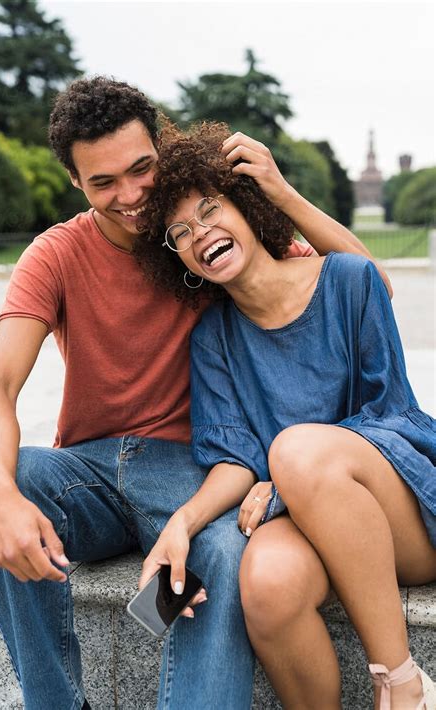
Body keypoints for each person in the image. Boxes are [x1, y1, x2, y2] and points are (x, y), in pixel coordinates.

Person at [0, 76, 382, 710]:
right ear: (75, 183)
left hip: (200, 470)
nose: (131, 196)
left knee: (222, 555)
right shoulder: (54, 254)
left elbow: (361, 284)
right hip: (91, 472)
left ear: (163, 147)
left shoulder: (210, 230)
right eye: (103, 183)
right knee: (0, 486)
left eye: (141, 169)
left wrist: (280, 190)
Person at [134, 122, 436, 710]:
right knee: (266, 585)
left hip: (405, 514)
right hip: (300, 521)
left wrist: (294, 476)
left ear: (248, 206)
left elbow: (392, 414)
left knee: (298, 450)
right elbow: (235, 461)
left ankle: (404, 687)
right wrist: (182, 524)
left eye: (211, 209)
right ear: (184, 259)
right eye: (181, 232)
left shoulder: (347, 281)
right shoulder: (213, 338)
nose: (202, 233)